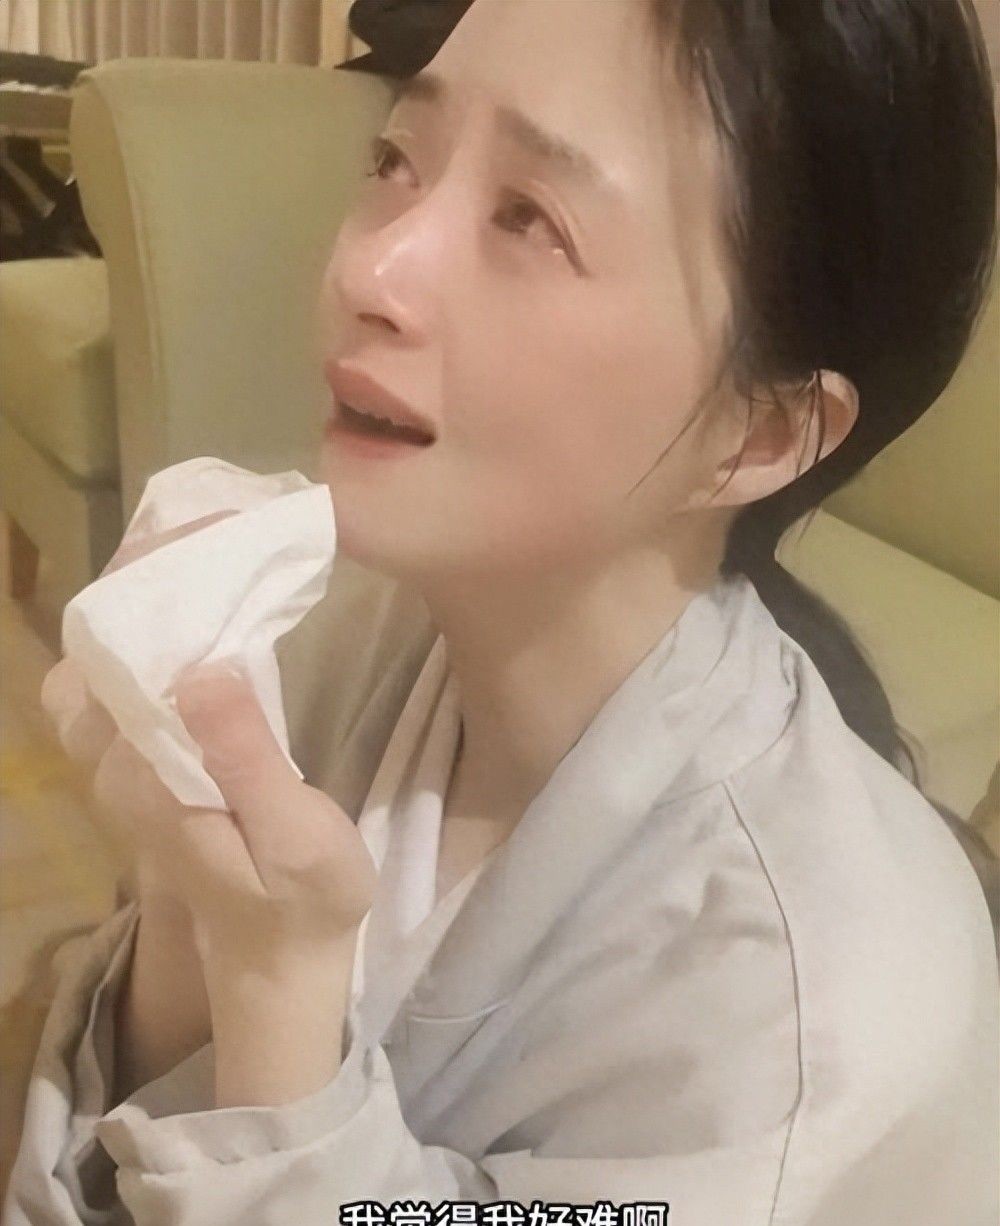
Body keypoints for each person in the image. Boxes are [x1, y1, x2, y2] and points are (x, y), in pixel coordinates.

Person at [4, 0, 997, 1222]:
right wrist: (186, 900)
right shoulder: (333, 633)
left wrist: (275, 988)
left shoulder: (812, 1020)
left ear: (762, 431)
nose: (367, 270)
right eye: (394, 159)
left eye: (529, 218)